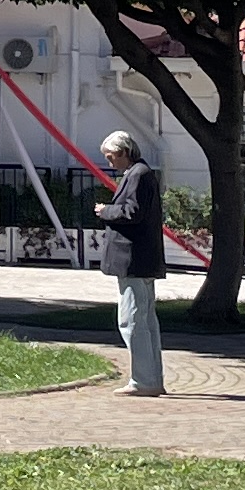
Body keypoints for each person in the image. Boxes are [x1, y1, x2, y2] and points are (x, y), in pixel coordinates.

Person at [92, 129, 165, 397]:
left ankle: (144, 380)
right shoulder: (140, 173)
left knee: (132, 320)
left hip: (134, 260)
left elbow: (132, 212)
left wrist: (105, 211)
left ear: (124, 152)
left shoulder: (137, 175)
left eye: (111, 156)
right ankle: (151, 378)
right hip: (142, 260)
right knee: (145, 320)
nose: (109, 162)